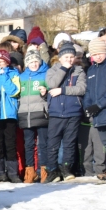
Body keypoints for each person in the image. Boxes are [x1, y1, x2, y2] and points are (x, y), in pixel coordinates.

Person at [44, 41, 87, 182]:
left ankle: (66, 168)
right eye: (66, 57)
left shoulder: (79, 71)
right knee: (53, 143)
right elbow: (52, 84)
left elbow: (81, 89)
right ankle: (52, 170)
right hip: (56, 112)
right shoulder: (52, 71)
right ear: (60, 57)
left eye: (71, 57)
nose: (69, 59)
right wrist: (63, 69)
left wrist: (62, 91)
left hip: (73, 112)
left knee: (69, 142)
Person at [18, 49, 50, 182]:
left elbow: (51, 88)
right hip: (25, 114)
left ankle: (44, 171)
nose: (34, 64)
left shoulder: (46, 74)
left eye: (36, 61)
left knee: (43, 144)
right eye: (31, 62)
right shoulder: (21, 77)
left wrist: (45, 91)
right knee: (28, 144)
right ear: (27, 63)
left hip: (41, 112)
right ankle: (30, 171)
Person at [0, 50, 22, 183]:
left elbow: (14, 91)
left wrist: (4, 77)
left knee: (10, 144)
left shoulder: (14, 74)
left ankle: (13, 172)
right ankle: (0, 172)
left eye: (1, 62)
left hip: (10, 114)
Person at [83, 37, 106, 180]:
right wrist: (88, 106)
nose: (97, 56)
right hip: (98, 116)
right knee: (105, 144)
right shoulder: (91, 70)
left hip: (103, 110)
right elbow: (88, 92)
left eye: (100, 53)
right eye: (94, 54)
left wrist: (98, 105)